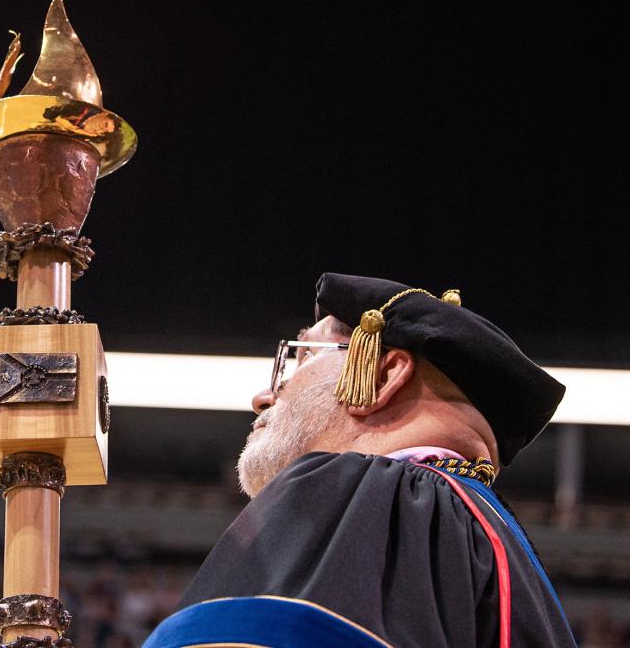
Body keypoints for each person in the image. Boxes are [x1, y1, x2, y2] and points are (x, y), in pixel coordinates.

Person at [144, 273, 576, 647]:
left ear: (384, 377)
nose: (262, 398)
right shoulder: (508, 548)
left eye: (303, 356)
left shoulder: (377, 495)